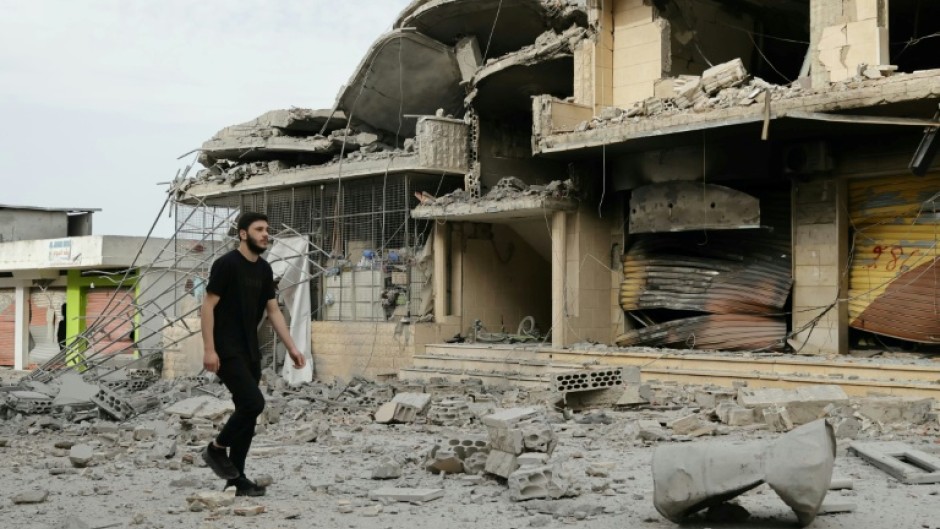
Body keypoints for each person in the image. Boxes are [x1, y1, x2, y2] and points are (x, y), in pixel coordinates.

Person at [201, 212, 306, 496]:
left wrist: (293, 347)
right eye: (259, 229)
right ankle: (215, 449)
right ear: (243, 234)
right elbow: (208, 306)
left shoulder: (263, 270)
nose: (265, 234)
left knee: (246, 414)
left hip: (249, 350)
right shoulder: (225, 265)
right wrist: (209, 349)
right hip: (226, 348)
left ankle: (237, 479)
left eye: (267, 230)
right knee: (253, 403)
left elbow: (273, 311)